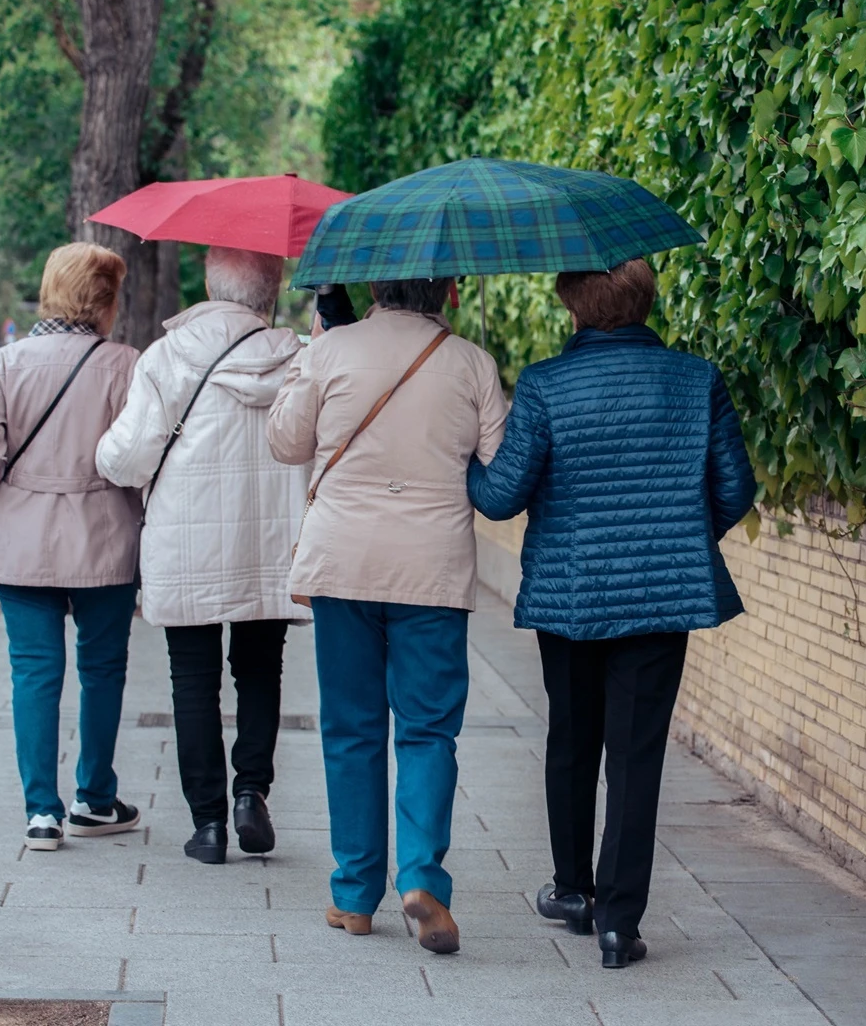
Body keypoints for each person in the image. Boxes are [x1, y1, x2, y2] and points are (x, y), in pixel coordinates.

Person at [467, 258, 756, 968]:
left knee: (572, 740)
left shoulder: (545, 384)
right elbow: (736, 488)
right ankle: (620, 925)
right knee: (636, 756)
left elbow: (501, 497)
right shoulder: (697, 380)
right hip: (662, 597)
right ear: (646, 296)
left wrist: (468, 461)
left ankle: (573, 890)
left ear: (572, 301)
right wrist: (680, 538)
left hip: (571, 596)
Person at [267, 276, 508, 955]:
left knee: (351, 727)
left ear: (376, 283)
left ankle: (353, 894)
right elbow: (500, 470)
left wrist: (307, 356)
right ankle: (422, 875)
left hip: (344, 563)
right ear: (451, 291)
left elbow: (286, 443)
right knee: (429, 730)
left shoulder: (332, 351)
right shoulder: (470, 362)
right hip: (431, 567)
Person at [95, 246, 311, 866]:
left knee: (192, 681)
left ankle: (208, 824)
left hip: (186, 542)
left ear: (210, 287)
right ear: (269, 294)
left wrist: (105, 454)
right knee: (260, 669)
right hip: (270, 542)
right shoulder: (295, 359)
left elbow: (128, 457)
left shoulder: (167, 357)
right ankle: (251, 792)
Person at [0, 242, 145, 852]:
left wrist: (10, 490)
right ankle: (94, 796)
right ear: (106, 300)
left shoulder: (7, 363)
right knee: (103, 668)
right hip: (106, 537)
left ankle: (41, 812)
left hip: (23, 541)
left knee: (34, 672)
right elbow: (138, 456)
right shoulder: (125, 365)